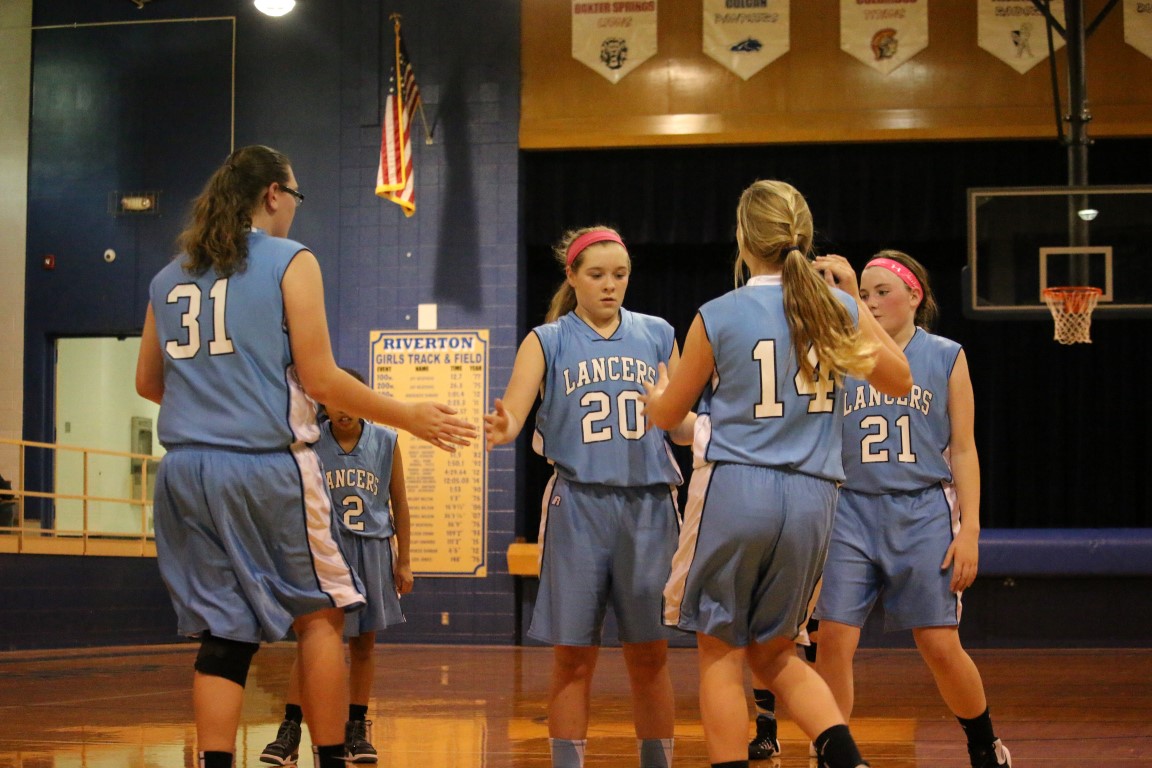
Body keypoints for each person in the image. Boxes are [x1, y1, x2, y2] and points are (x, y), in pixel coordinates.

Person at [135, 145, 475, 768]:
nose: (294, 207)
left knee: (222, 633)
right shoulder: (290, 259)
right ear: (273, 194)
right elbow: (321, 379)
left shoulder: (167, 277)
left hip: (184, 471)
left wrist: (213, 403)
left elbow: (149, 384)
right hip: (264, 465)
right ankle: (331, 758)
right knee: (321, 615)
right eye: (294, 195)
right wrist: (408, 415)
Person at [641, 180, 912, 768]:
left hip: (739, 488)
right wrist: (850, 301)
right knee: (777, 653)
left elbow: (668, 415)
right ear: (803, 237)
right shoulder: (835, 310)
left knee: (721, 652)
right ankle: (849, 761)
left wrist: (655, 396)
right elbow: (900, 380)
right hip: (814, 498)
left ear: (743, 239)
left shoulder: (719, 313)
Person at [484, 226, 694, 768]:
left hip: (649, 507)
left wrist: (682, 415)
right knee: (572, 658)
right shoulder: (547, 339)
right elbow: (514, 412)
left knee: (650, 657)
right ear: (572, 276)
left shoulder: (657, 334)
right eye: (597, 275)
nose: (609, 285)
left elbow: (682, 428)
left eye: (619, 275)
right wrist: (502, 426)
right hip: (577, 506)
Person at [811, 250, 1012, 768]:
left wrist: (970, 530)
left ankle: (985, 745)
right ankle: (834, 753)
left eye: (883, 292)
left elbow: (963, 449)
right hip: (848, 508)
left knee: (939, 643)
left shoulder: (945, 355)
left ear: (914, 296)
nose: (872, 302)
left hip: (922, 508)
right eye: (864, 293)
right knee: (832, 639)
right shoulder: (838, 352)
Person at [261, 368, 414, 766]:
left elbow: (400, 503)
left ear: (363, 400)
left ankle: (356, 728)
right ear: (323, 403)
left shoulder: (386, 441)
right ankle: (290, 728)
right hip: (325, 549)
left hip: (373, 549)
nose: (343, 410)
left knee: (363, 644)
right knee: (313, 640)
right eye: (334, 402)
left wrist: (405, 560)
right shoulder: (310, 442)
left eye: (350, 401)